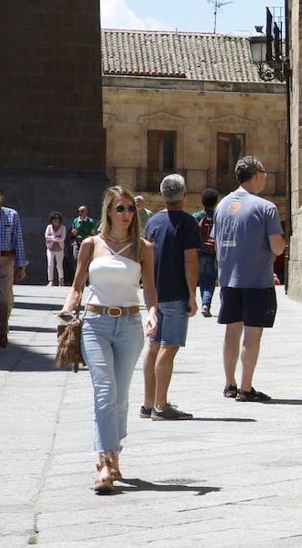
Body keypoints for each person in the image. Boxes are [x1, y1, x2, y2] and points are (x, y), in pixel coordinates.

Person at [60, 186, 158, 494]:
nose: (127, 214)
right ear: (108, 211)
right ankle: (105, 462)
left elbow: (151, 289)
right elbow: (77, 286)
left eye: (130, 208)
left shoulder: (143, 247)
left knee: (121, 395)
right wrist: (68, 305)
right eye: (120, 208)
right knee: (104, 391)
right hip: (95, 322)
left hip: (129, 323)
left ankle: (114, 450)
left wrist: (153, 313)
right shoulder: (91, 244)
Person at [214, 156, 285, 402]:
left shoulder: (221, 206)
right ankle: (246, 388)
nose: (266, 176)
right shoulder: (266, 208)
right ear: (256, 173)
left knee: (231, 331)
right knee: (252, 334)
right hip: (256, 280)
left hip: (228, 280)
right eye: (264, 171)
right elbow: (277, 248)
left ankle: (229, 384)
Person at [140, 174, 200, 421]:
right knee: (169, 346)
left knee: (154, 347)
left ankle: (147, 403)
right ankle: (161, 406)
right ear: (184, 194)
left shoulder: (152, 222)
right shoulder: (187, 223)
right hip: (176, 293)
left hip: (155, 293)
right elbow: (190, 260)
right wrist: (193, 295)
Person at [0, 185, 29, 348]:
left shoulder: (11, 215)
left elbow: (18, 240)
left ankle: (2, 330)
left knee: (5, 299)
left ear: (2, 197)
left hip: (5, 261)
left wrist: (21, 265)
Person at [192, 189, 219, 317]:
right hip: (214, 252)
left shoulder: (197, 216)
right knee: (210, 279)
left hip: (200, 251)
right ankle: (206, 304)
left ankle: (205, 303)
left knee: (203, 278)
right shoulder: (219, 216)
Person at [44, 212, 66, 286]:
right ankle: (51, 280)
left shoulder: (63, 228)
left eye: (57, 219)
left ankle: (61, 280)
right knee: (50, 264)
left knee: (59, 265)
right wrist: (56, 238)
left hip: (59, 249)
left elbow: (62, 239)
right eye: (54, 219)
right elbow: (46, 236)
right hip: (50, 248)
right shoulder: (49, 227)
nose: (56, 221)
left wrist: (52, 238)